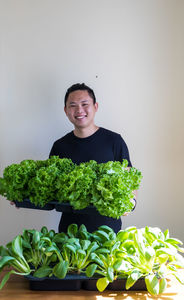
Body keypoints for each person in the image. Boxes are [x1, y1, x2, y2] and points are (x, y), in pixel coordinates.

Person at [49, 83, 136, 233]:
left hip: (107, 232)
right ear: (66, 110)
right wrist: (22, 196)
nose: (79, 110)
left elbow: (129, 179)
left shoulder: (114, 141)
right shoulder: (59, 146)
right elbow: (50, 189)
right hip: (70, 234)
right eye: (73, 105)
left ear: (95, 106)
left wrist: (131, 202)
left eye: (84, 104)